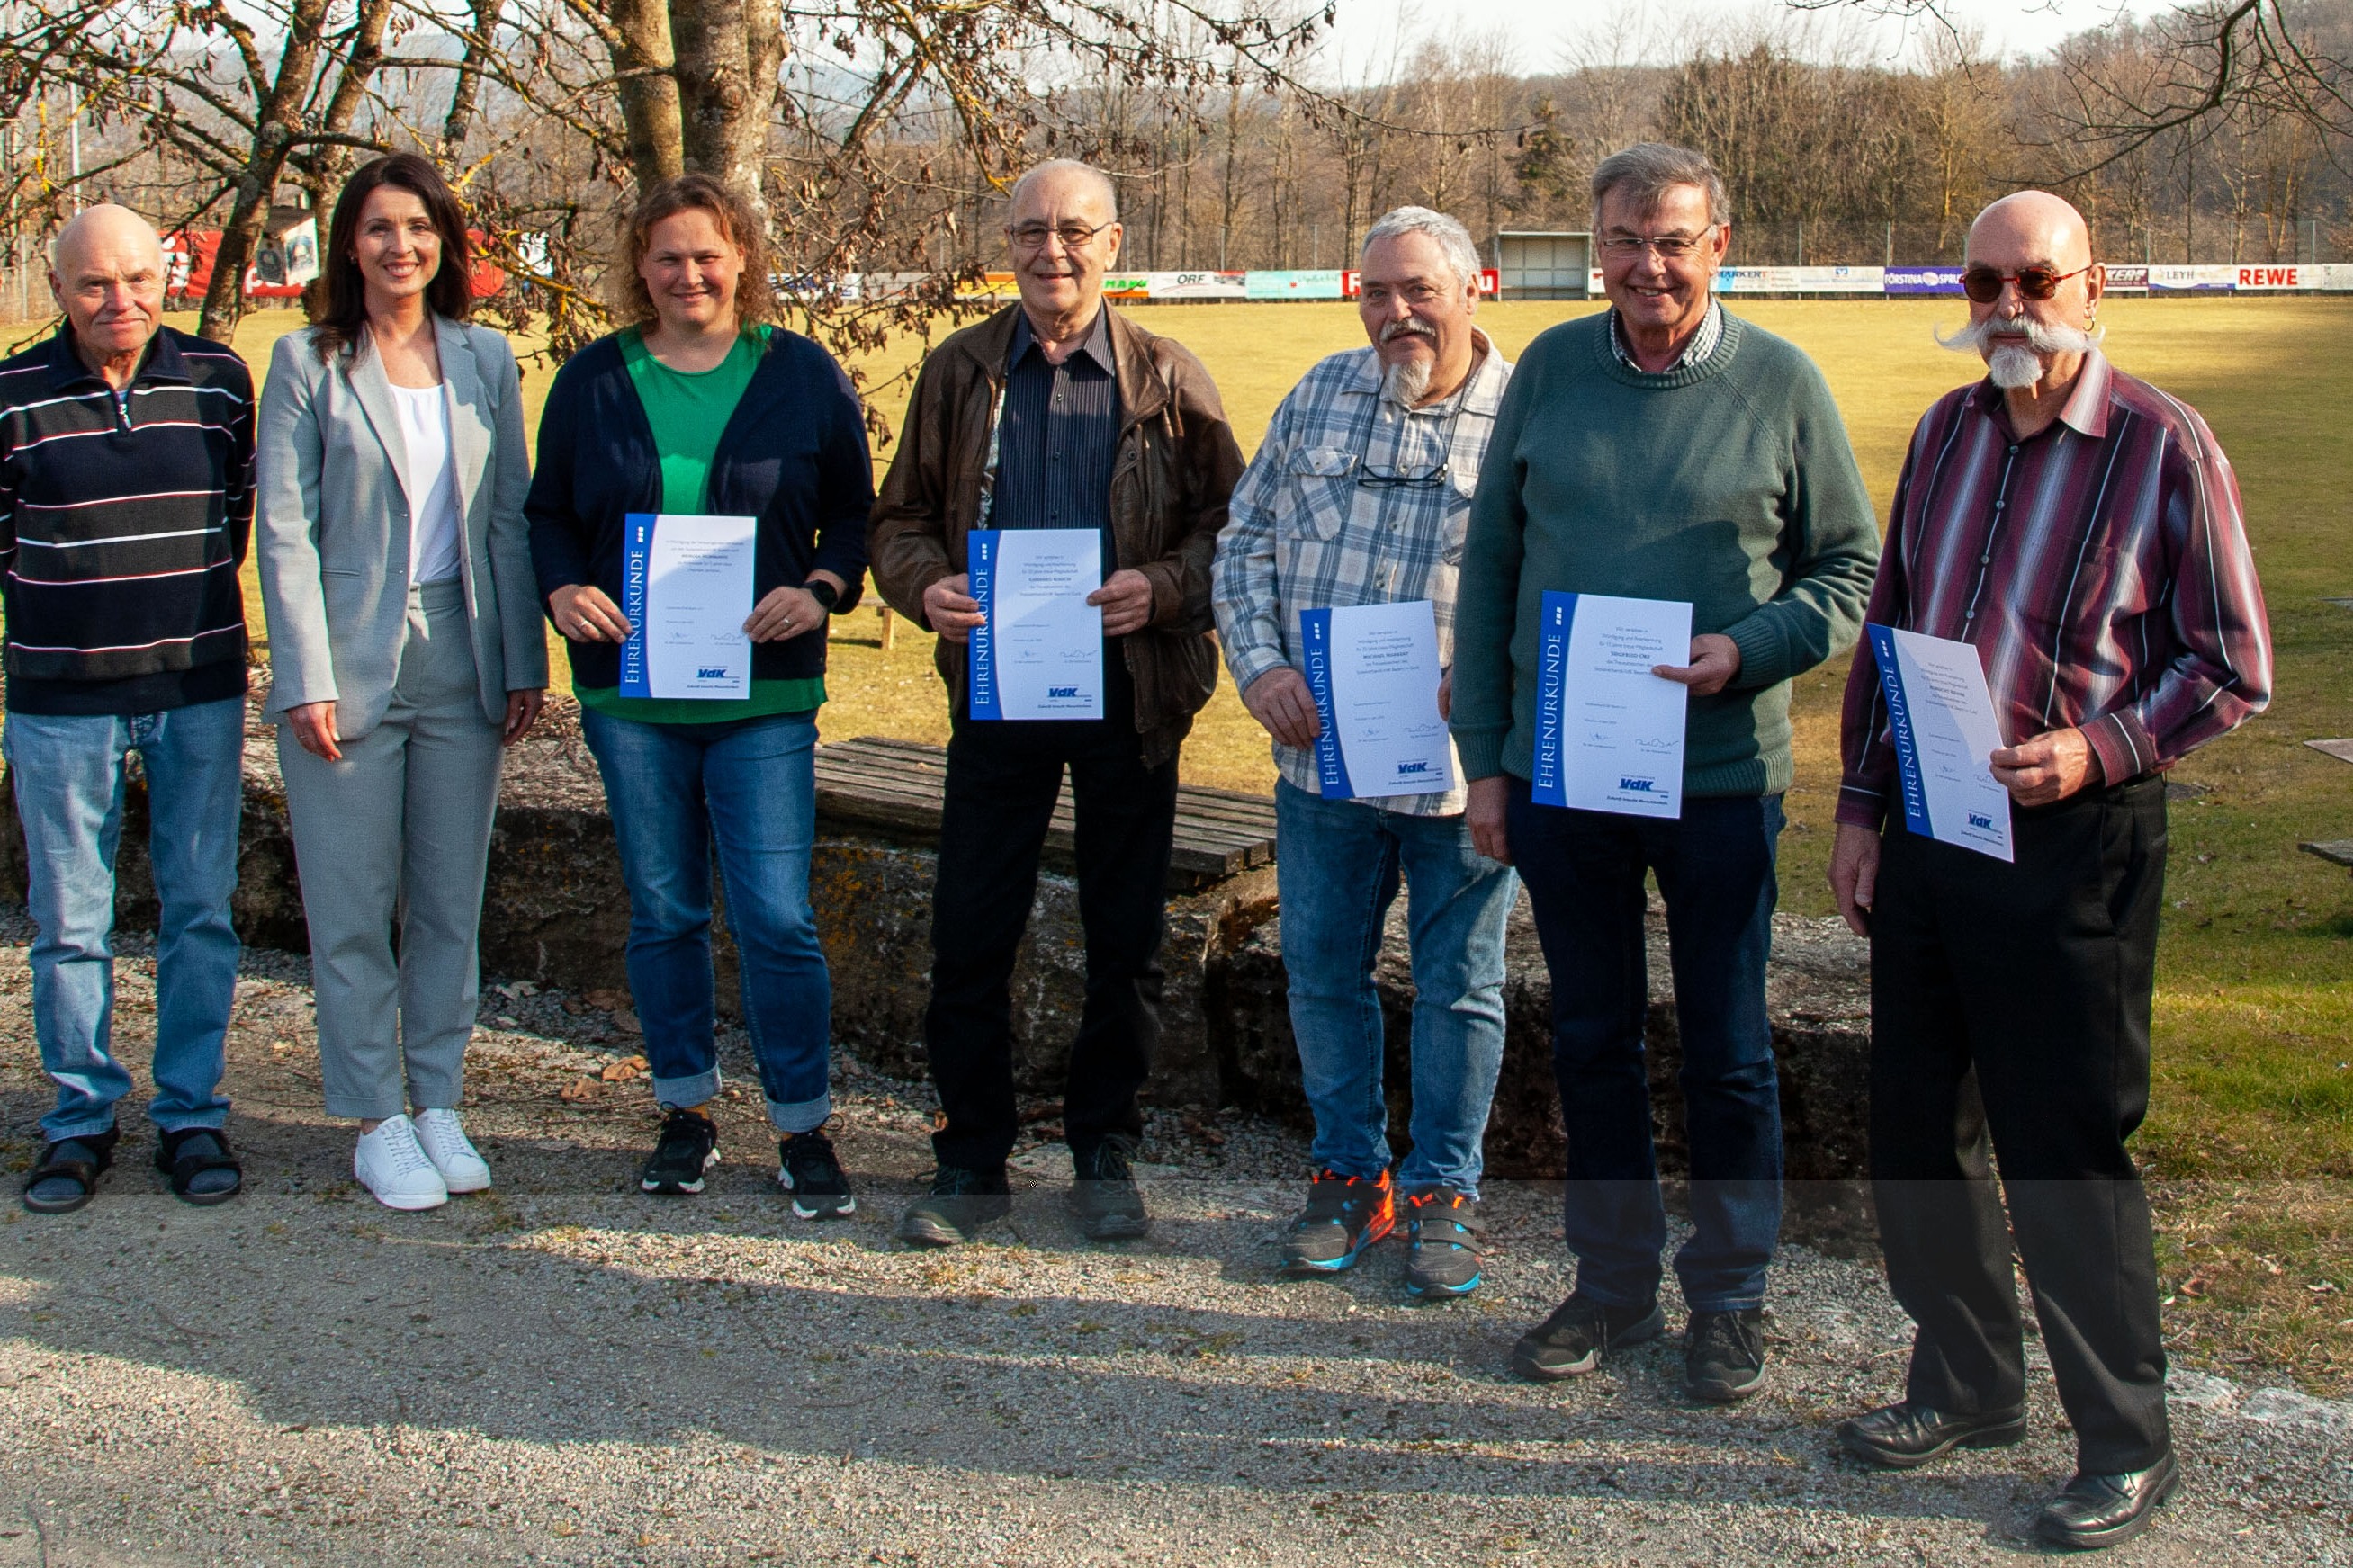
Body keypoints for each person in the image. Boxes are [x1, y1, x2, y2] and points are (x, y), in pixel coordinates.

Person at [1827, 192, 2271, 1553]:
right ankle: (1963, 1380)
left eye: (2034, 277)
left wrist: (2098, 746)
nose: (2007, 302)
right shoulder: (1944, 430)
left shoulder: (2160, 443)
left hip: (2073, 844)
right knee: (1913, 1130)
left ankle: (2124, 1441)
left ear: (2092, 288)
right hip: (1926, 833)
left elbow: (2231, 663)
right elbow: (1890, 624)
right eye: (1983, 278)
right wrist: (1855, 808)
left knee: (2062, 1146)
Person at [1449, 142, 1881, 1401]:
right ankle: (1610, 1283)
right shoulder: (1547, 371)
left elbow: (1845, 573)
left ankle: (1730, 1293)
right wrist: (1487, 763)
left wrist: (1741, 651)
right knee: (1587, 1035)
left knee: (1727, 1044)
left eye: (1673, 240)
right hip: (1563, 775)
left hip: (1717, 778)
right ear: (1598, 246)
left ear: (1718, 245)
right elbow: (1489, 578)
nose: (1648, 265)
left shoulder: (1781, 384)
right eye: (1626, 240)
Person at [868, 158, 1244, 1246]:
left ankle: (1104, 1148)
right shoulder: (958, 372)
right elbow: (896, 521)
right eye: (1030, 230)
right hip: (995, 692)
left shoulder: (1169, 377)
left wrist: (1163, 588)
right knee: (971, 931)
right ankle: (970, 1159)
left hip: (1131, 697)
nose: (1051, 250)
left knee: (1123, 936)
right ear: (1007, 241)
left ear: (1112, 243)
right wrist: (923, 583)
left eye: (1073, 230)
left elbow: (1230, 533)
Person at [526, 175, 872, 1216]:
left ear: (742, 262)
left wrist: (818, 590)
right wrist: (562, 588)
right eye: (668, 257)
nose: (689, 274)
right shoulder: (593, 378)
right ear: (640, 267)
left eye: (708, 255)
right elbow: (545, 512)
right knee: (666, 909)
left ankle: (802, 1125)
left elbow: (854, 517)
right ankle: (684, 1109)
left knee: (775, 915)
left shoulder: (802, 374)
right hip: (631, 699)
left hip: (763, 694)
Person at [1212, 206, 1518, 1297]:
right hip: (1320, 765)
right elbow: (1242, 543)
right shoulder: (1316, 396)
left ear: (1471, 288)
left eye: (1416, 292)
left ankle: (1443, 1191)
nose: (1395, 314)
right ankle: (1347, 1173)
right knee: (1320, 973)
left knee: (1460, 985)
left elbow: (1548, 589)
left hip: (1456, 775)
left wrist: (1487, 689)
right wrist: (1258, 668)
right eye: (1375, 294)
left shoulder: (1522, 415)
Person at [256, 153, 548, 1212]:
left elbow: (509, 519)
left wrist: (524, 661)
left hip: (463, 656)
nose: (401, 247)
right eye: (379, 228)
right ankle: (375, 1117)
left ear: (445, 242)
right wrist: (304, 675)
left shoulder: (483, 361)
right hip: (347, 663)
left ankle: (437, 1100)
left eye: (419, 227)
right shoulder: (306, 362)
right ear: (349, 243)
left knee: (446, 903)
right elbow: (284, 531)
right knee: (348, 904)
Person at [3, 205, 254, 1212]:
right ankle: (77, 1120)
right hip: (61, 698)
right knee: (69, 921)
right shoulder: (13, 394)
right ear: (60, 289)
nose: (122, 302)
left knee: (202, 913)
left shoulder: (217, 384)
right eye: (97, 284)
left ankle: (191, 1114)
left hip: (196, 687)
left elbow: (234, 521)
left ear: (167, 280)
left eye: (141, 280)